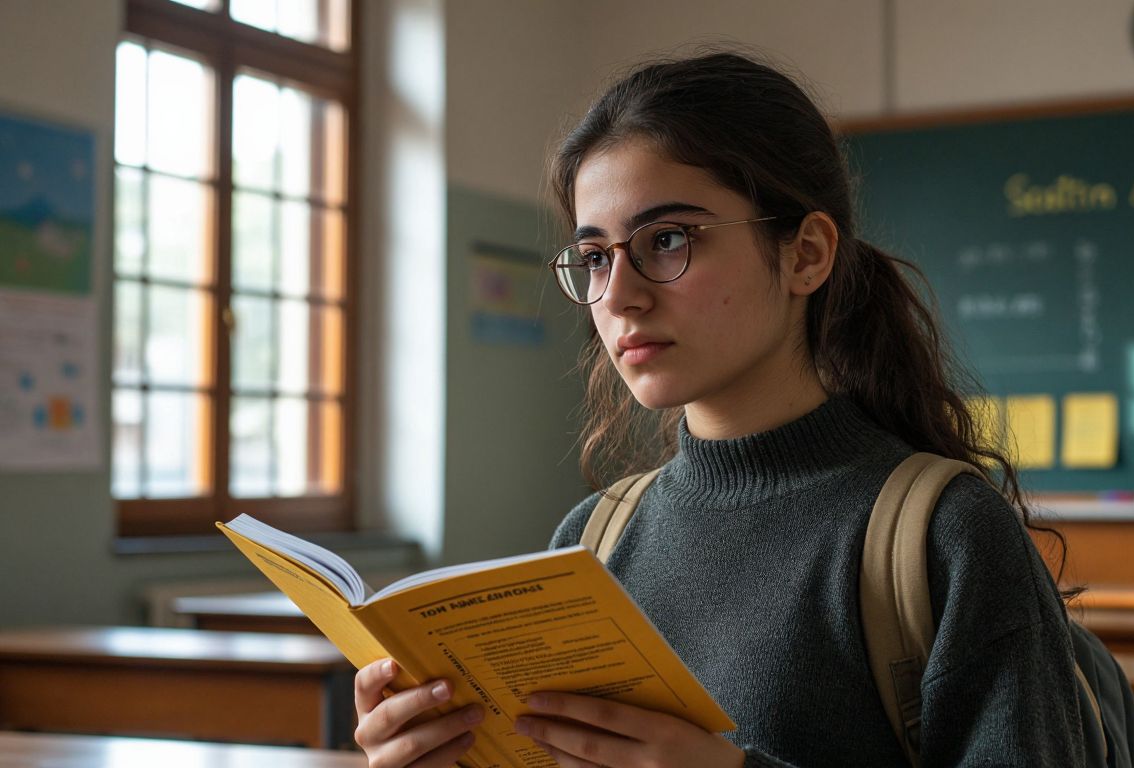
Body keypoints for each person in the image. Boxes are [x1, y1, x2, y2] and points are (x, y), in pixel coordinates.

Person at [353, 50, 1086, 768]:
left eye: (668, 241)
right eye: (598, 257)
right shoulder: (595, 539)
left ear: (806, 255)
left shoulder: (944, 535)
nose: (619, 297)